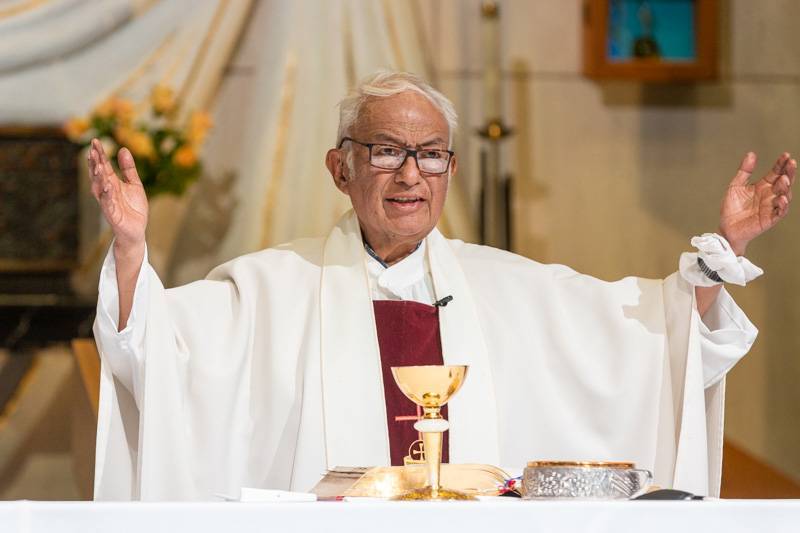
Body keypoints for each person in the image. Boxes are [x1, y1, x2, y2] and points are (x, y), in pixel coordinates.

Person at [88, 71, 794, 501]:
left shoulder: (511, 287)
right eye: (387, 151)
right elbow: (151, 341)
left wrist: (724, 250)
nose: (409, 176)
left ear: (451, 172)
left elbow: (648, 336)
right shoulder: (269, 289)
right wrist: (130, 247)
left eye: (429, 155)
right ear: (340, 169)